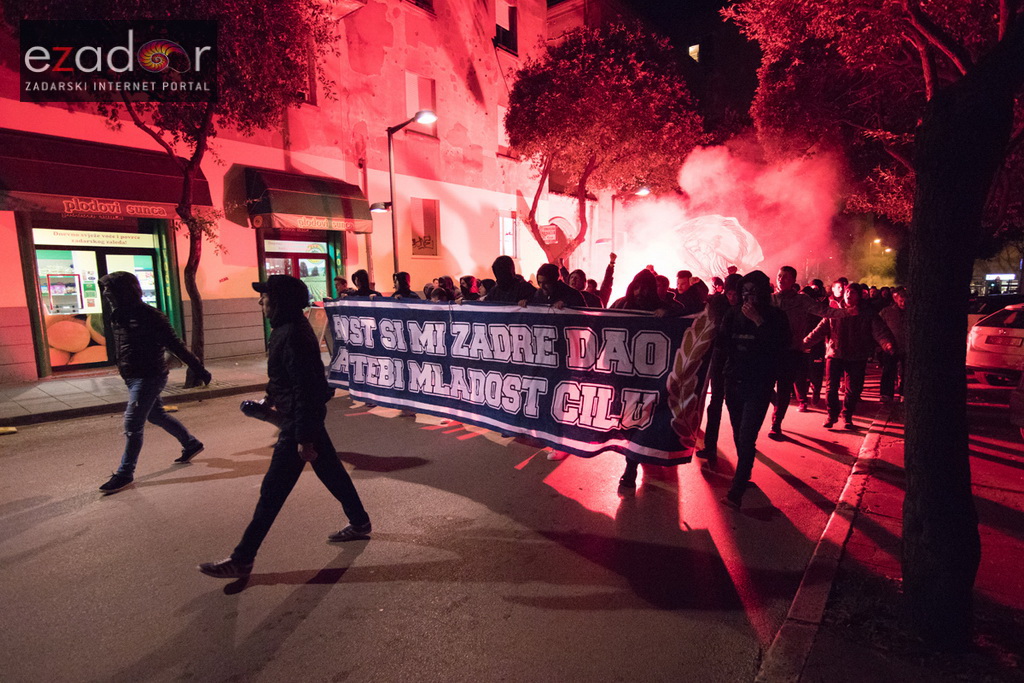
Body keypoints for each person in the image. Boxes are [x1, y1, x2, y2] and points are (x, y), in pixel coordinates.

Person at [199, 275, 371, 579]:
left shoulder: (293, 334)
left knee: (272, 492)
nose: (259, 302)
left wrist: (304, 437)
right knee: (331, 473)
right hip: (300, 420)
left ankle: (243, 558)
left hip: (299, 423)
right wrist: (269, 400)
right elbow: (284, 377)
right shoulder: (283, 330)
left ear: (279, 301)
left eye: (264, 297)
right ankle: (359, 523)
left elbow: (307, 389)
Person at [97, 272, 211, 494]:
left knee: (132, 423)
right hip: (131, 376)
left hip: (149, 376)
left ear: (124, 291)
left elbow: (176, 346)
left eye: (109, 290)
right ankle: (191, 443)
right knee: (156, 414)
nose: (105, 294)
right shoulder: (118, 314)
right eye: (104, 290)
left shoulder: (151, 316)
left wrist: (198, 369)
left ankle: (125, 473)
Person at [718, 270, 790, 509]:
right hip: (734, 381)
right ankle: (744, 473)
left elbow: (780, 347)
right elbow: (722, 345)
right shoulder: (732, 314)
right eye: (744, 291)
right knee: (739, 435)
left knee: (748, 437)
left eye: (753, 291)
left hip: (758, 384)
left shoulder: (776, 316)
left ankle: (736, 492)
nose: (749, 296)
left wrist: (759, 322)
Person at [768, 265, 852, 439]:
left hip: (791, 351)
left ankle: (776, 424)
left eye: (785, 277)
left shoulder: (801, 300)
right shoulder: (770, 300)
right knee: (764, 385)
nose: (780, 279)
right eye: (779, 276)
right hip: (770, 351)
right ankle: (778, 405)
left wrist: (846, 312)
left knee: (784, 389)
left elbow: (824, 311)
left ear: (793, 281)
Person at [804, 283, 895, 430]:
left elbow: (880, 331)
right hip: (835, 353)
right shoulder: (834, 311)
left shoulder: (867, 313)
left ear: (859, 296)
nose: (848, 295)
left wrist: (887, 344)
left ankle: (847, 416)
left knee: (853, 389)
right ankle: (831, 415)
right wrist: (805, 343)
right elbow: (820, 330)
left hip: (857, 356)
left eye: (852, 293)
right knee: (831, 387)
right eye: (847, 292)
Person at [697, 272, 743, 462]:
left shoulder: (746, 306)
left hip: (737, 362)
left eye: (736, 294)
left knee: (736, 408)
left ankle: (743, 450)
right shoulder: (717, 303)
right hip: (719, 358)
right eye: (730, 293)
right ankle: (710, 447)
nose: (732, 297)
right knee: (715, 404)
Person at [879, 286, 907, 401]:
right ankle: (886, 394)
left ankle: (904, 393)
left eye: (906, 300)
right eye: (901, 300)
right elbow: (879, 328)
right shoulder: (887, 312)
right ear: (896, 299)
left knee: (906, 371)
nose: (903, 303)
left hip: (906, 347)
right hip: (890, 346)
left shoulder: (912, 312)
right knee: (889, 370)